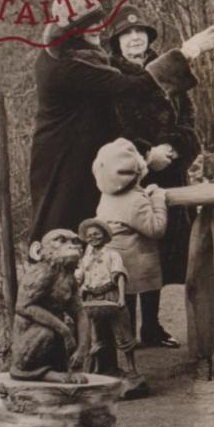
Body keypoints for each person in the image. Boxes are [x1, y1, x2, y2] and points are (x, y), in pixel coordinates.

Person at [28, 0, 214, 243]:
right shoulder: (68, 66)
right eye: (88, 24)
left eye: (98, 20)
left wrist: (170, 147)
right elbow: (131, 86)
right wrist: (186, 52)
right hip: (65, 160)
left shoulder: (77, 54)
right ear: (72, 31)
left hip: (83, 155)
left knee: (87, 231)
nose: (97, 27)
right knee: (63, 229)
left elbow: (182, 117)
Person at [109, 10, 210, 348]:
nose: (135, 38)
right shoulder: (112, 77)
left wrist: (174, 148)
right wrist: (145, 154)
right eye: (127, 34)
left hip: (170, 174)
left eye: (141, 32)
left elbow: (189, 120)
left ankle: (151, 327)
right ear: (117, 42)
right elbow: (111, 128)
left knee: (163, 250)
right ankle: (125, 334)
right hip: (129, 178)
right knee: (130, 250)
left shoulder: (172, 75)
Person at [91, 139, 169, 370]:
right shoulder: (135, 201)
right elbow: (156, 228)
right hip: (133, 263)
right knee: (130, 303)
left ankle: (124, 344)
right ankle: (129, 347)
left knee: (123, 306)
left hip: (112, 263)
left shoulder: (107, 196)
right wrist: (158, 199)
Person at [75, 218, 141, 389]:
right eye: (89, 235)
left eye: (96, 234)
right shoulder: (85, 258)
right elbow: (80, 278)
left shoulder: (112, 255)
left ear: (104, 236)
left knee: (122, 334)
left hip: (110, 295)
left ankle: (132, 369)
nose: (93, 238)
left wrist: (121, 298)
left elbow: (119, 276)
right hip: (91, 297)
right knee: (96, 336)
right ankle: (98, 370)